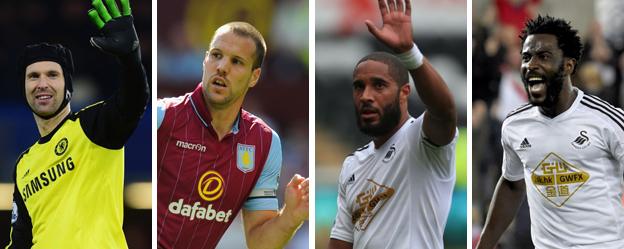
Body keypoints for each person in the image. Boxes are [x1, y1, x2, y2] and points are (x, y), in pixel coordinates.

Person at [5, 0, 149, 248]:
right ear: (24, 87)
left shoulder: (92, 127)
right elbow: (20, 242)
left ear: (68, 87)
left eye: (52, 75)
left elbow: (134, 101)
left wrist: (130, 59)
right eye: (33, 76)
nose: (42, 84)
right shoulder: (24, 165)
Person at [156, 22, 309, 249]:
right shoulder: (162, 118)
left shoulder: (264, 142)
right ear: (204, 60)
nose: (222, 67)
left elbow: (259, 242)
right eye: (216, 55)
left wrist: (290, 218)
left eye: (236, 61)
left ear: (254, 76)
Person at [476, 15, 624, 249]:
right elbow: (512, 183)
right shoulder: (515, 125)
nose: (531, 64)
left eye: (543, 56)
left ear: (568, 65)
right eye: (526, 57)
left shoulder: (607, 120)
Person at [328, 0, 458, 248]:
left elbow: (444, 111)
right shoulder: (352, 165)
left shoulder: (420, 141)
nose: (366, 95)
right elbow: (342, 240)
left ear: (404, 93)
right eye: (359, 87)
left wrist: (410, 54)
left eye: (379, 85)